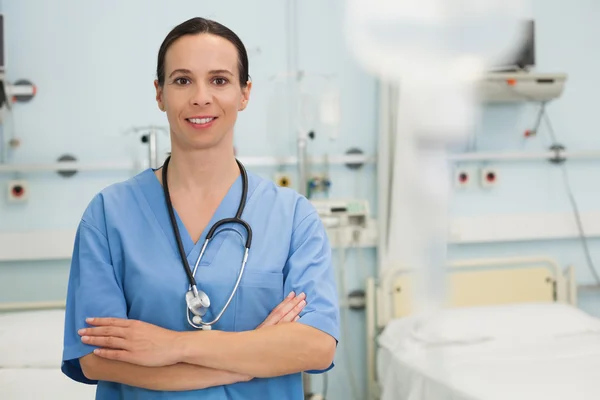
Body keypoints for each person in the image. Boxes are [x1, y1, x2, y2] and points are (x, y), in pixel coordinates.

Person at [61, 17, 339, 399]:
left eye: (220, 80)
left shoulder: (293, 217)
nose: (201, 97)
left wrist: (173, 346)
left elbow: (317, 346)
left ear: (245, 93)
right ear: (159, 94)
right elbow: (97, 357)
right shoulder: (109, 214)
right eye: (182, 80)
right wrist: (249, 359)